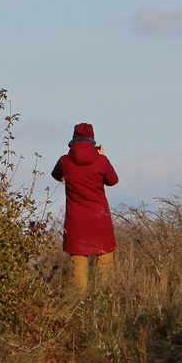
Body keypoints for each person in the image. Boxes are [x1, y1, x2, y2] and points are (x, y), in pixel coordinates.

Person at [51, 122, 119, 291]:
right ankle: (105, 302)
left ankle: (79, 305)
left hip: (76, 221)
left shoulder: (65, 161)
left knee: (78, 267)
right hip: (100, 218)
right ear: (93, 140)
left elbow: (56, 175)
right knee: (105, 263)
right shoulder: (101, 161)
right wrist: (102, 156)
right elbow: (113, 181)